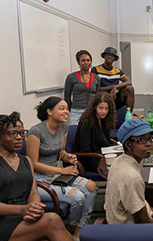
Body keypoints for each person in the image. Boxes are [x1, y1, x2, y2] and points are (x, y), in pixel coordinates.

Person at [0, 112, 73, 241]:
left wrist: (34, 208)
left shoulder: (26, 161)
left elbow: (33, 193)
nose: (19, 138)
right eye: (12, 134)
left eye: (22, 133)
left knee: (51, 220)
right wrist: (22, 210)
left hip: (24, 217)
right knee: (52, 220)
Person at [26, 96, 98, 240]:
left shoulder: (63, 127)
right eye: (62, 108)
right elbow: (32, 163)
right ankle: (70, 226)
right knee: (77, 196)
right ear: (49, 111)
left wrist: (67, 157)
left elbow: (60, 151)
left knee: (92, 187)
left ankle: (79, 228)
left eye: (66, 108)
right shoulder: (35, 132)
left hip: (58, 177)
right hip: (39, 180)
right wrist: (62, 170)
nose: (66, 112)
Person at [105, 119, 153, 224]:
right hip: (128, 232)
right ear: (128, 144)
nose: (149, 144)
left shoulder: (119, 160)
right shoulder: (132, 177)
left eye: (150, 139)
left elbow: (141, 205)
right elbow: (144, 223)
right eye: (142, 140)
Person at [74, 92, 117, 172]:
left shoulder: (104, 120)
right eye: (101, 108)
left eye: (106, 109)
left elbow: (105, 142)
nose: (103, 111)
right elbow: (86, 150)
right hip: (89, 161)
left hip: (101, 156)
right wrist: (98, 168)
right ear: (94, 107)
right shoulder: (86, 122)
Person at [92, 47, 135, 112]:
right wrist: (112, 88)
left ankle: (129, 114)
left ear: (115, 58)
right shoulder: (96, 69)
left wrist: (116, 87)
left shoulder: (117, 71)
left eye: (112, 55)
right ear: (104, 56)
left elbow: (128, 81)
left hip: (115, 97)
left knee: (129, 88)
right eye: (108, 54)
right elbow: (95, 88)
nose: (109, 57)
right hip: (102, 97)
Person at [64, 50, 101, 125]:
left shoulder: (97, 78)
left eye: (88, 60)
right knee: (75, 133)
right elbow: (67, 97)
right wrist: (73, 109)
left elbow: (97, 96)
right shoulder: (71, 77)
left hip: (92, 112)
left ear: (91, 62)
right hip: (76, 112)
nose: (86, 63)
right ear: (78, 62)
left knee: (91, 135)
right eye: (83, 60)